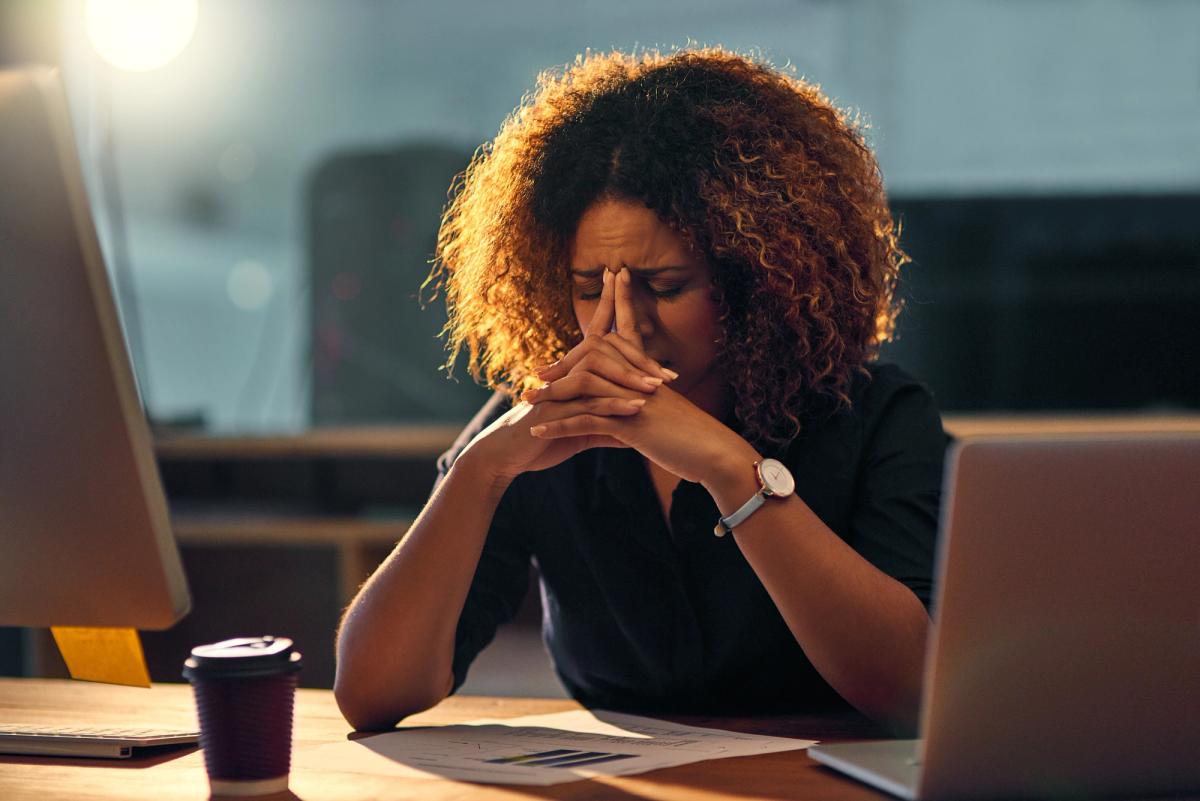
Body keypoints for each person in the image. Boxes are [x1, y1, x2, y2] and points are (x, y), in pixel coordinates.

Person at [334, 47, 948, 735]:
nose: (620, 324)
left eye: (665, 286)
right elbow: (371, 692)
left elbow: (912, 689)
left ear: (753, 281)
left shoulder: (879, 418)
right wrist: (479, 470)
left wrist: (729, 471)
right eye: (588, 287)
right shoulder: (539, 420)